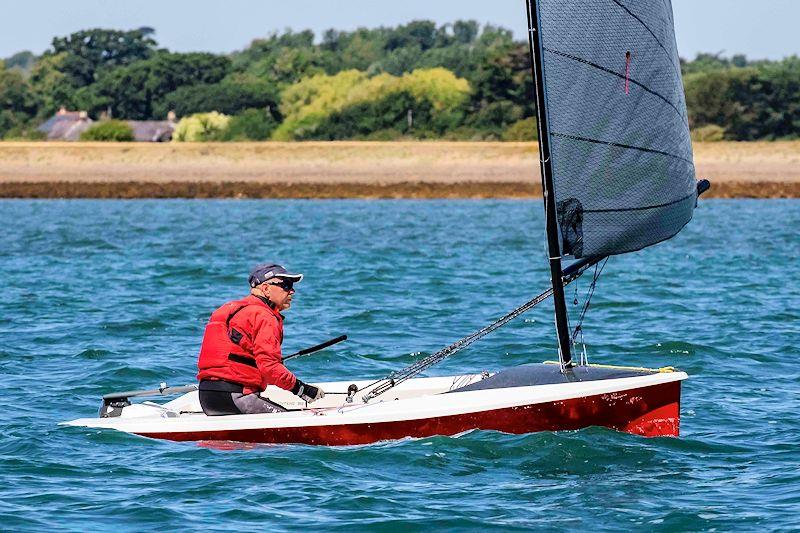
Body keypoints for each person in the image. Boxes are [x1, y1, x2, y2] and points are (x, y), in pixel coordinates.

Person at [196, 263, 324, 415]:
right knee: (295, 433)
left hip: (207, 396)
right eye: (286, 285)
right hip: (237, 396)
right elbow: (269, 367)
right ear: (266, 288)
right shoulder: (263, 315)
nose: (292, 291)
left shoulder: (228, 309)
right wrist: (302, 389)